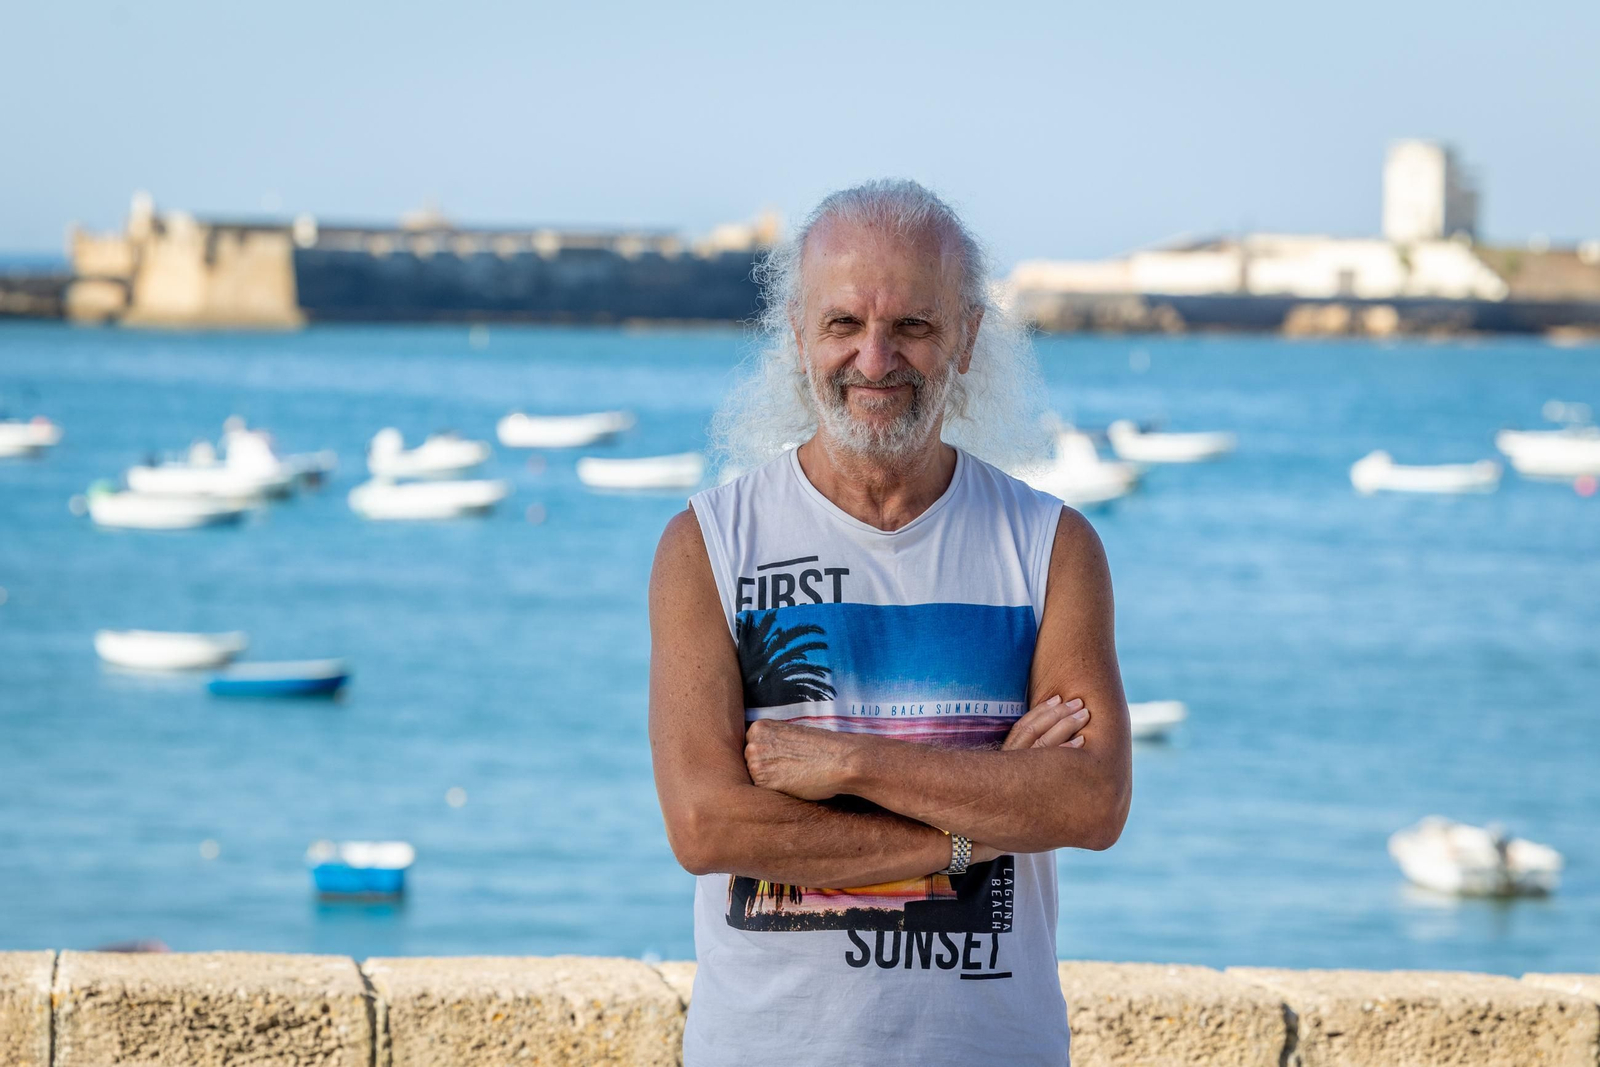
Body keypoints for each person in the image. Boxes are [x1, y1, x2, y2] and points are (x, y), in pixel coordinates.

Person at [648, 179, 1131, 1065]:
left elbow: (1092, 801)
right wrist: (976, 830)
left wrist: (848, 763)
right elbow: (709, 826)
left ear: (968, 336)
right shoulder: (708, 546)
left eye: (912, 324)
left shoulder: (1051, 546)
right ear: (798, 333)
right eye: (844, 323)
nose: (875, 358)